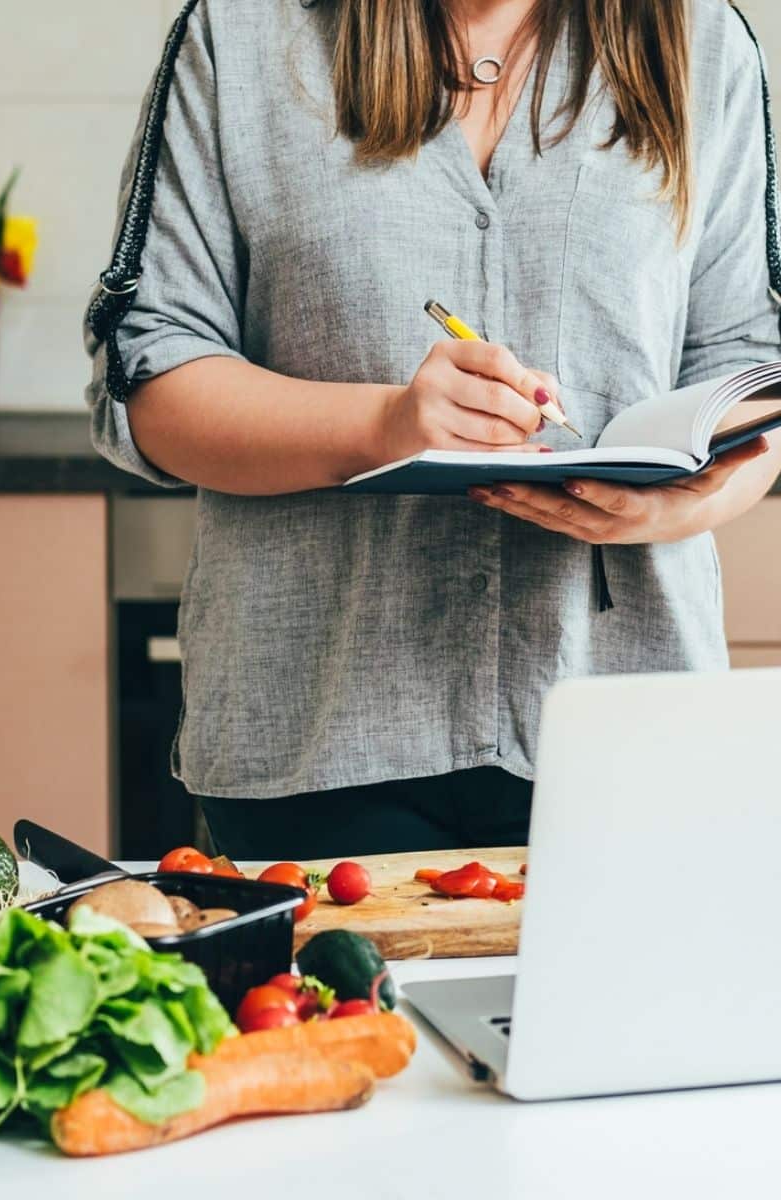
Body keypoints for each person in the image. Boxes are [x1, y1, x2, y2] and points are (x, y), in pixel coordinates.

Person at [85, 0, 781, 860]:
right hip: (316, 736)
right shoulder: (240, 34)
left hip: (628, 725)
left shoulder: (702, 41)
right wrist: (384, 424)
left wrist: (681, 506)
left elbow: (749, 365)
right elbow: (148, 384)